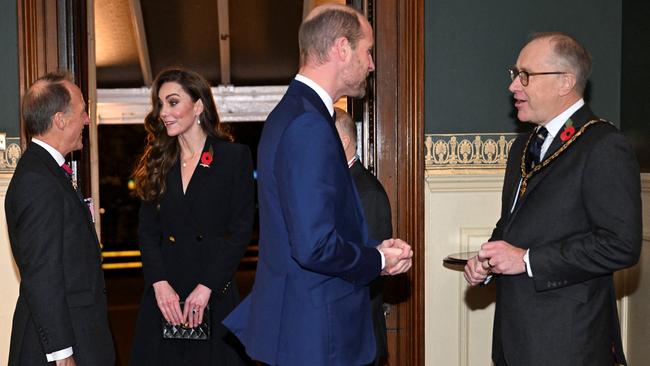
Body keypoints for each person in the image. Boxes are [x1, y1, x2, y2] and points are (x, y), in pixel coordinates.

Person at [223, 4, 413, 366]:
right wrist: (378, 259)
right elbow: (313, 246)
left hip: (302, 327)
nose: (371, 64)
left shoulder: (295, 114)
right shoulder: (308, 124)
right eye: (367, 51)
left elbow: (311, 226)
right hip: (317, 337)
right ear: (342, 48)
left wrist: (371, 248)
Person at [464, 32, 642, 366]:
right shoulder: (524, 145)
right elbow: (514, 223)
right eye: (514, 74)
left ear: (565, 82)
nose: (514, 86)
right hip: (514, 338)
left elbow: (622, 244)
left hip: (568, 342)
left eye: (525, 76)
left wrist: (528, 260)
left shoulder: (602, 145)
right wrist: (488, 260)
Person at [130, 68, 254, 365]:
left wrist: (207, 287)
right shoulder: (159, 160)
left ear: (198, 106)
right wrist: (159, 284)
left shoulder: (233, 158)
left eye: (173, 102)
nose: (164, 112)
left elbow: (240, 232)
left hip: (214, 291)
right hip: (165, 298)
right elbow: (147, 233)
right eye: (160, 104)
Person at [6, 71, 115, 365]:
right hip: (61, 348)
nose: (87, 120)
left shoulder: (47, 172)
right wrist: (62, 352)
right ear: (60, 119)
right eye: (82, 112)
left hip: (77, 335)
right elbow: (43, 273)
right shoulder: (38, 180)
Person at [334, 107, 392, 365]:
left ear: (343, 141)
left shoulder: (367, 192)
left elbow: (368, 265)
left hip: (356, 332)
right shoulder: (336, 183)